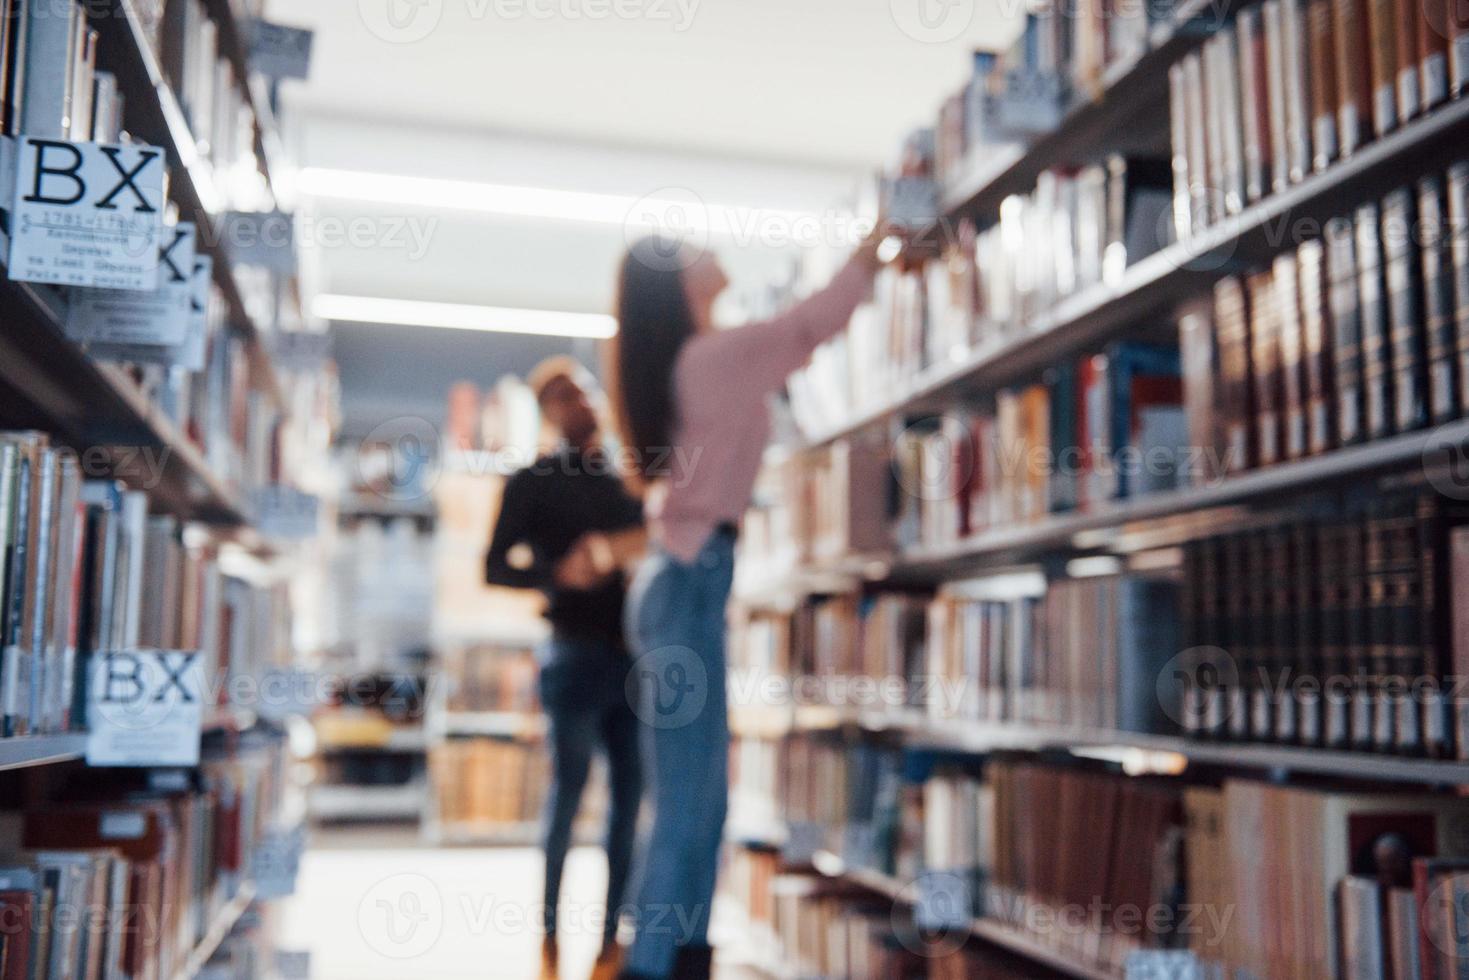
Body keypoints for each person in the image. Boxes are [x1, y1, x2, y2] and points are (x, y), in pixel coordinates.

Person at [605, 225, 892, 980]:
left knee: (699, 806)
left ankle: (681, 959)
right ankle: (653, 965)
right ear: (679, 283)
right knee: (686, 807)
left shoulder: (695, 358)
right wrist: (866, 253)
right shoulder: (710, 358)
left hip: (685, 581)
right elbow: (803, 328)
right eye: (692, 250)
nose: (710, 252)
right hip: (687, 583)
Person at [485, 357, 648, 980]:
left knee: (628, 806)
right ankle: (550, 940)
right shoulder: (532, 480)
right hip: (573, 654)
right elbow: (494, 566)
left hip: (633, 657)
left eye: (581, 388)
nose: (577, 401)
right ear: (545, 412)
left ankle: (611, 943)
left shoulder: (627, 478)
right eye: (560, 396)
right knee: (567, 800)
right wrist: (556, 575)